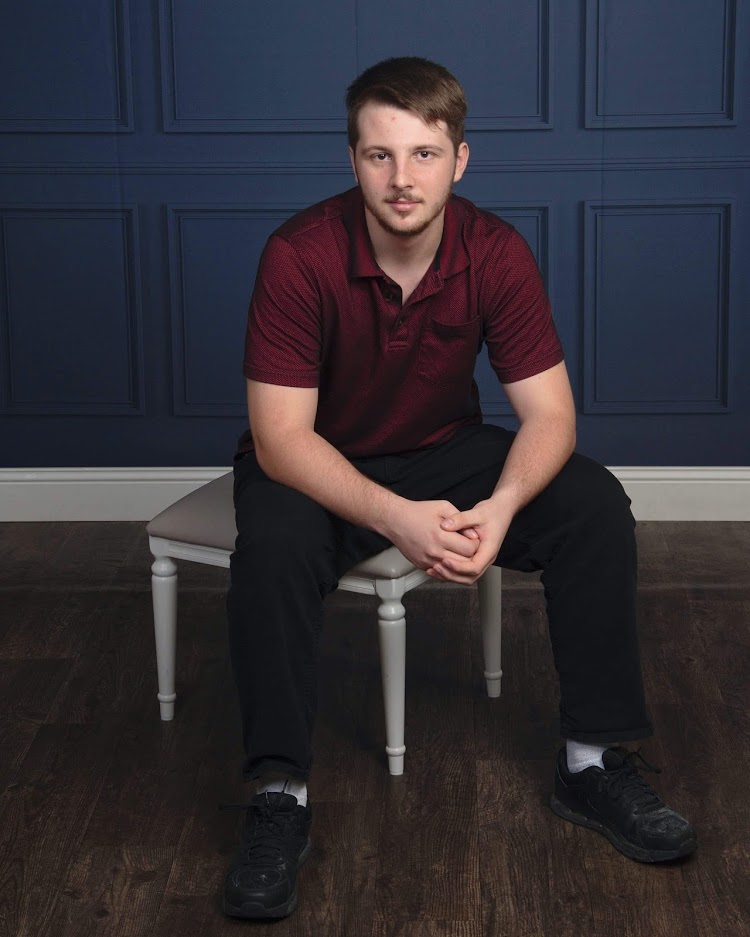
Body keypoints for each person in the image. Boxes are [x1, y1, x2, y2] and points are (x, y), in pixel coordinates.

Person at [223, 56, 697, 920]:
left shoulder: (496, 250)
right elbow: (280, 437)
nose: (403, 180)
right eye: (380, 155)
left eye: (425, 154)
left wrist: (503, 506)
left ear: (461, 159)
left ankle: (590, 764)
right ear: (353, 160)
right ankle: (278, 798)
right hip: (319, 461)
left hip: (443, 450)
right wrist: (395, 518)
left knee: (592, 504)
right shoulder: (298, 255)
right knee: (274, 546)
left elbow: (551, 414)